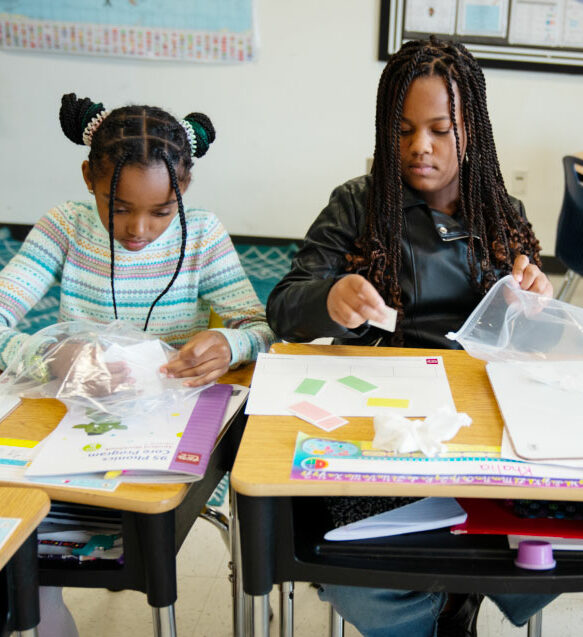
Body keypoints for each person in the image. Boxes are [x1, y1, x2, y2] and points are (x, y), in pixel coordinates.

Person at [266, 37, 554, 637]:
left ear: (470, 129)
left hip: (483, 425)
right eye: (401, 131)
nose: (419, 147)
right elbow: (284, 307)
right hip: (380, 424)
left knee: (547, 545)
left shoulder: (500, 210)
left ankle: (459, 592)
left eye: (439, 130)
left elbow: (533, 344)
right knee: (348, 561)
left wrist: (536, 303)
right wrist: (329, 301)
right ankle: (445, 611)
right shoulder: (356, 204)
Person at [0, 93, 276, 636]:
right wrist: (52, 354)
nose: (138, 230)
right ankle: (42, 603)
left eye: (160, 211)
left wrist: (228, 341)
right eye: (118, 206)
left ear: (184, 192)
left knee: (150, 512)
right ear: (88, 178)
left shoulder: (201, 233)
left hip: (169, 420)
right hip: (71, 411)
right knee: (25, 530)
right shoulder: (65, 227)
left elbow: (262, 327)